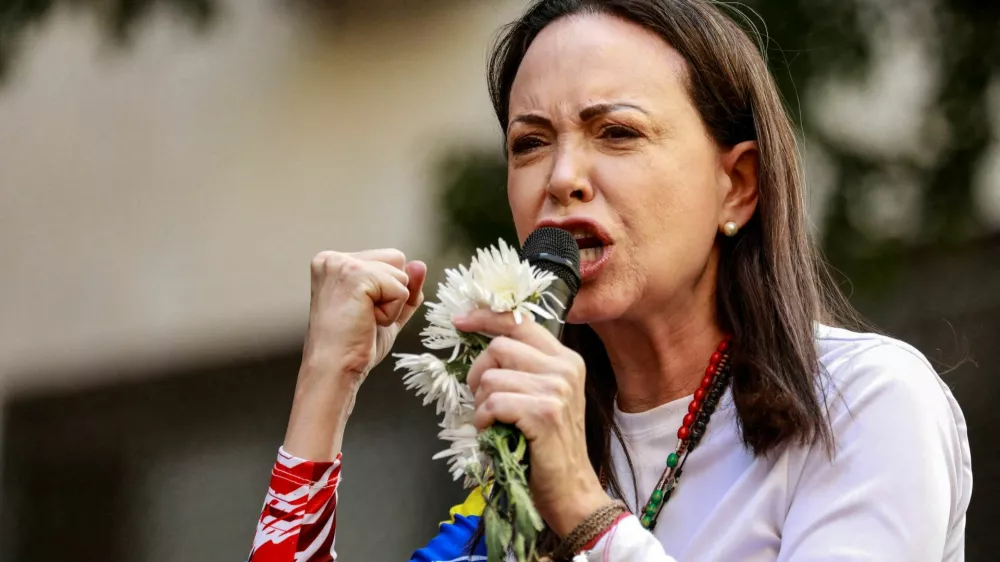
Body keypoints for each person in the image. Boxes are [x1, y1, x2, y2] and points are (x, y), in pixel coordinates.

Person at [247, 0, 972, 560]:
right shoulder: (524, 467)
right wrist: (325, 385)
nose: (562, 179)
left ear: (738, 186)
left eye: (617, 133)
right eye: (530, 143)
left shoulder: (865, 404)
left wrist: (585, 510)